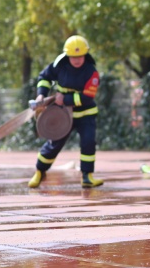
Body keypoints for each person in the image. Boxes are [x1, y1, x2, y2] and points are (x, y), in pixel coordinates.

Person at [29, 35, 102, 188]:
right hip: (62, 114)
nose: (77, 60)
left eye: (80, 56)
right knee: (54, 144)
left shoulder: (91, 71)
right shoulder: (59, 65)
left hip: (85, 114)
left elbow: (88, 97)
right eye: (73, 56)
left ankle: (87, 177)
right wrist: (41, 93)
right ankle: (40, 171)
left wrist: (66, 100)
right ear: (67, 55)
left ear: (85, 54)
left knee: (88, 143)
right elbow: (44, 77)